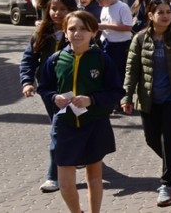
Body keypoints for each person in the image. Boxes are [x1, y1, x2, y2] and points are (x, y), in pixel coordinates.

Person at [37, 11, 124, 213]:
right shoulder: (56, 59)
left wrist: (91, 100)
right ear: (65, 33)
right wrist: (53, 97)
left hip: (94, 124)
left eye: (83, 29)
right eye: (72, 29)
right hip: (65, 125)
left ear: (93, 32)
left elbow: (116, 91)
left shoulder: (102, 60)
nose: (77, 33)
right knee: (66, 183)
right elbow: (44, 87)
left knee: (94, 176)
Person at [122, 0, 171, 207]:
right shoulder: (139, 39)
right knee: (151, 139)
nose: (165, 16)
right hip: (149, 99)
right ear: (150, 15)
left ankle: (167, 184)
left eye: (168, 12)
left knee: (168, 139)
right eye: (160, 12)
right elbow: (132, 70)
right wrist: (127, 97)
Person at [19, 0, 78, 193]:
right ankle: (73, 159)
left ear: (72, 11)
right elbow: (28, 59)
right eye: (54, 9)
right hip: (49, 90)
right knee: (62, 129)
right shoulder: (41, 33)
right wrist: (27, 81)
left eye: (63, 9)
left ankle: (54, 176)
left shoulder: (78, 31)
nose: (57, 13)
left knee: (59, 131)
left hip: (73, 91)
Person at [92, 0, 134, 90]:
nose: (100, 4)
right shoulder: (105, 8)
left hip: (120, 44)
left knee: (118, 71)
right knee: (107, 70)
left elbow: (128, 26)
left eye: (101, 1)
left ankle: (120, 97)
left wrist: (105, 26)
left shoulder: (122, 7)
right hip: (106, 42)